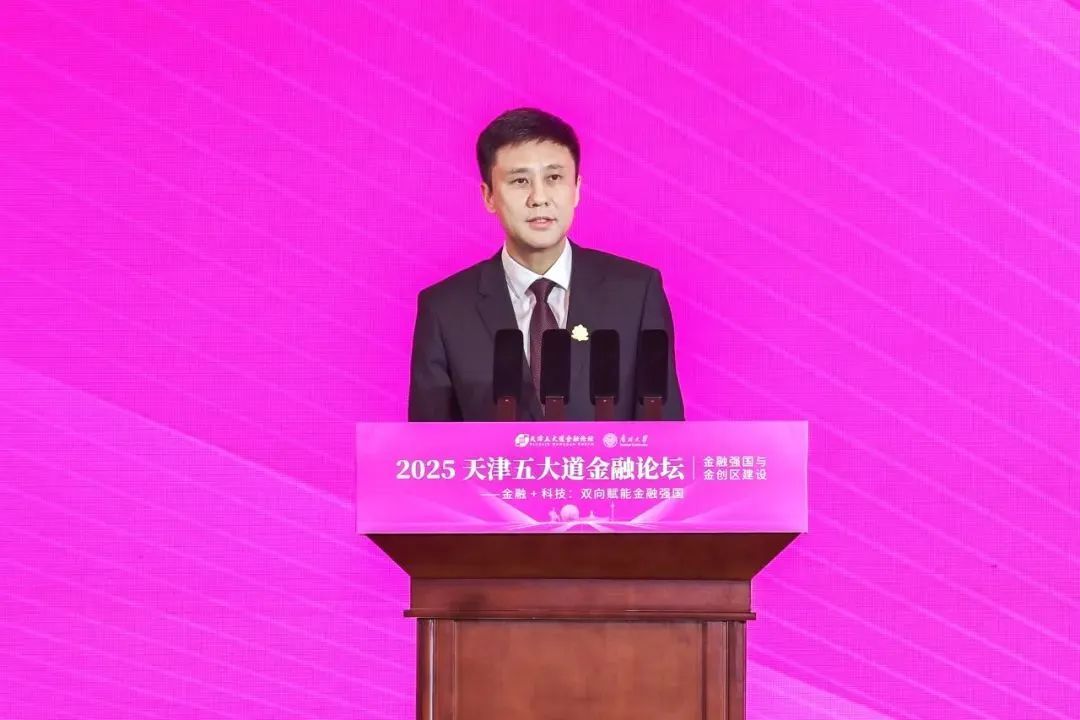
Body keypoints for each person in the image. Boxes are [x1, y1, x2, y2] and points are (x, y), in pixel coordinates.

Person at [408, 107, 683, 421]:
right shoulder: (445, 309)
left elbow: (664, 433)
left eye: (554, 178)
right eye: (520, 181)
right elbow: (428, 445)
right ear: (488, 196)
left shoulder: (636, 293)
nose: (539, 198)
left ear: (576, 188)